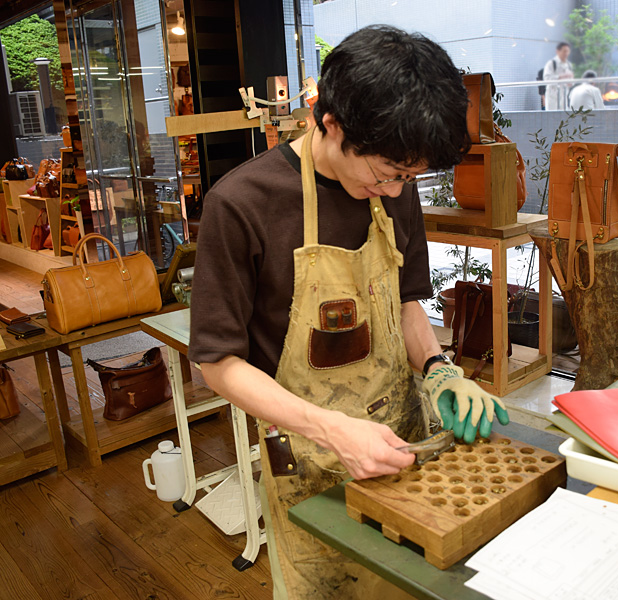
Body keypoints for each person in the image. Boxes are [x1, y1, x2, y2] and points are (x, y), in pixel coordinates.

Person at [188, 25, 509, 600]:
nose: (396, 190)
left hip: (402, 444)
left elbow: (405, 301)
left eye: (409, 178)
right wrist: (333, 429)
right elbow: (218, 363)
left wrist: (439, 370)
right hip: (308, 459)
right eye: (387, 173)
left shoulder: (394, 187)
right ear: (330, 122)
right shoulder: (241, 204)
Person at [543, 41, 574, 111]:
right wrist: (561, 77)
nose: (566, 53)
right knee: (552, 115)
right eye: (564, 51)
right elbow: (546, 79)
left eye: (568, 51)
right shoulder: (551, 63)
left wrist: (570, 83)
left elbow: (571, 81)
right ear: (558, 51)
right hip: (553, 97)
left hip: (564, 97)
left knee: (564, 116)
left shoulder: (569, 65)